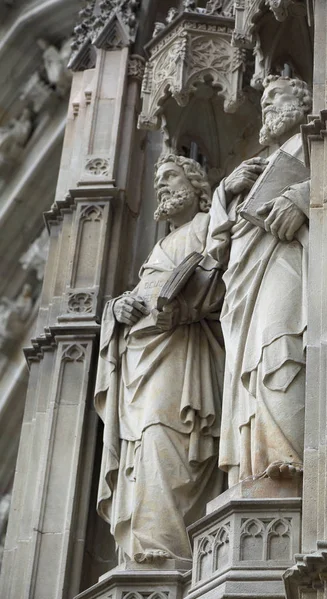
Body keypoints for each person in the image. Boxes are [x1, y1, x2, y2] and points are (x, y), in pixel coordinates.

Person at [95, 154, 225, 564]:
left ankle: (166, 554)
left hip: (182, 355)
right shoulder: (160, 244)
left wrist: (185, 306)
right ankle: (143, 553)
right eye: (158, 181)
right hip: (140, 363)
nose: (162, 186)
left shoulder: (208, 225)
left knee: (164, 438)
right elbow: (144, 292)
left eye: (170, 177)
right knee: (141, 451)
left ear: (197, 186)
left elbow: (225, 280)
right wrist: (117, 309)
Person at [207, 74, 312, 487]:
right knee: (251, 362)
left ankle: (291, 461)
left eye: (276, 96)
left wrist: (300, 198)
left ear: (303, 102)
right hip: (245, 279)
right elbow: (216, 251)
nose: (267, 105)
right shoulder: (254, 167)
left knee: (279, 344)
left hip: (288, 258)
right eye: (263, 99)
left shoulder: (321, 139)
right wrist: (226, 194)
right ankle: (261, 462)